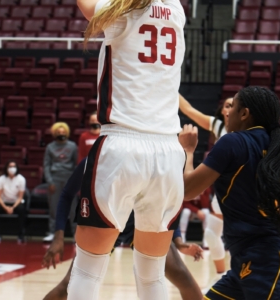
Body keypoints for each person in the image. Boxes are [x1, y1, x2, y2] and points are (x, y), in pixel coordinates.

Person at [67, 0, 186, 298]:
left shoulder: (120, 10)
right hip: (169, 151)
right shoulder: (177, 10)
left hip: (122, 144)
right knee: (152, 274)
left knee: (87, 269)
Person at [179, 86, 280, 299]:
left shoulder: (232, 142)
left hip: (264, 260)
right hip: (248, 261)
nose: (227, 112)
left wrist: (188, 151)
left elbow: (187, 190)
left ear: (244, 114)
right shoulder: (276, 148)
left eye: (232, 106)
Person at [42, 158, 203, 300]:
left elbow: (164, 204)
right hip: (105, 222)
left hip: (139, 223)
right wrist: (58, 236)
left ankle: (146, 268)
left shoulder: (150, 157)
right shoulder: (96, 158)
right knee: (67, 286)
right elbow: (66, 194)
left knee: (182, 277)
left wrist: (179, 241)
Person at [179, 94, 232, 276]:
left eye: (234, 105)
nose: (229, 108)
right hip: (223, 191)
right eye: (227, 105)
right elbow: (188, 109)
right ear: (222, 111)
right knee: (210, 234)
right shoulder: (219, 126)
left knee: (243, 239)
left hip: (244, 192)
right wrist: (169, 82)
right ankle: (221, 276)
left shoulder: (249, 131)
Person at [43, 122, 78, 242]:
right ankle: (52, 233)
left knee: (73, 209)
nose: (61, 134)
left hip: (70, 178)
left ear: (67, 133)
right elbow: (46, 165)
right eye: (58, 132)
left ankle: (76, 234)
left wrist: (75, 181)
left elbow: (76, 164)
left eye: (63, 132)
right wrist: (50, 182)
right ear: (54, 133)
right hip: (55, 178)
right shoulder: (50, 147)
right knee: (54, 208)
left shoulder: (73, 146)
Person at [0, 161, 27, 243]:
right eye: (10, 166)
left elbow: (20, 197)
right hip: (3, 202)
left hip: (16, 202)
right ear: (6, 168)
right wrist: (6, 207)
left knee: (22, 210)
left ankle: (21, 235)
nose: (12, 168)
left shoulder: (21, 179)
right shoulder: (1, 179)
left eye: (14, 166)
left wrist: (13, 207)